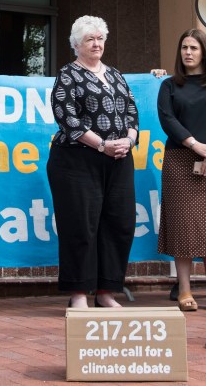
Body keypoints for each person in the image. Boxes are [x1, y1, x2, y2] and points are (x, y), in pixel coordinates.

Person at [48, 15, 140, 310]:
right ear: (76, 45)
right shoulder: (68, 75)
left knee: (119, 224)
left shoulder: (115, 75)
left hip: (119, 160)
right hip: (77, 161)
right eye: (90, 39)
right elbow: (69, 121)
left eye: (100, 38)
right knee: (80, 225)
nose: (97, 43)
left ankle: (106, 292)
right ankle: (78, 295)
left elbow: (132, 113)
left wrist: (129, 139)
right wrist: (102, 145)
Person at [156, 28, 206, 313]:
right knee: (182, 227)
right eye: (184, 48)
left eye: (194, 48)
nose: (187, 53)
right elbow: (167, 119)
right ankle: (185, 289)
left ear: (204, 52)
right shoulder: (169, 86)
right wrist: (195, 145)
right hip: (179, 159)